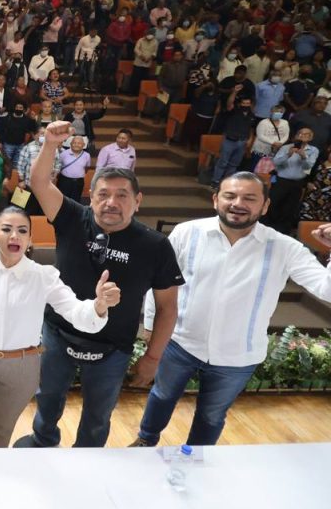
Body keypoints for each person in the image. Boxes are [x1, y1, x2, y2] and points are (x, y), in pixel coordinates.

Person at [13, 121, 183, 448]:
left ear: (138, 200)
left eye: (122, 195)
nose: (111, 202)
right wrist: (50, 145)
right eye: (103, 194)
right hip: (58, 334)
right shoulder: (72, 218)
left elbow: (167, 308)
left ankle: (89, 460)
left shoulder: (156, 245)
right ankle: (43, 442)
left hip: (113, 347)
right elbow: (38, 182)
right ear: (91, 198)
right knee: (47, 400)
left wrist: (152, 358)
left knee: (98, 415)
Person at [132, 174, 331, 447]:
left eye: (249, 198)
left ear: (265, 206)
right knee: (162, 396)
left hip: (238, 355)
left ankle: (197, 459)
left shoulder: (285, 247)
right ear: (216, 200)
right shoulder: (187, 233)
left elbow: (326, 290)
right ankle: (145, 441)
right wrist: (151, 329)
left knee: (212, 416)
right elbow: (160, 284)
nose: (238, 203)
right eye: (230, 196)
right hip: (180, 342)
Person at [0, 207, 119, 447]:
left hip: (20, 364)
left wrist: (98, 306)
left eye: (22, 231)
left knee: (0, 429)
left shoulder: (43, 276)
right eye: (6, 229)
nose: (14, 236)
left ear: (30, 238)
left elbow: (75, 311)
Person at [265, 127, 318, 234]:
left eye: (307, 134)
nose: (303, 136)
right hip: (281, 181)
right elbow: (275, 162)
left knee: (289, 208)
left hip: (297, 183)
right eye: (301, 133)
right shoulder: (286, 147)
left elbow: (308, 166)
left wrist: (303, 157)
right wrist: (288, 154)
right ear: (296, 135)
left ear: (311, 137)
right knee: (273, 204)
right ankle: (266, 227)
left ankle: (282, 232)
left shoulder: (313, 150)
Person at [57, 135, 91, 202]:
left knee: (76, 201)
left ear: (83, 145)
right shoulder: (63, 154)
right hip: (64, 181)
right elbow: (58, 166)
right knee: (63, 200)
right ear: (70, 144)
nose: (76, 145)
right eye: (74, 143)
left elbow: (87, 168)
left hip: (79, 182)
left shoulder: (87, 155)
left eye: (79, 143)